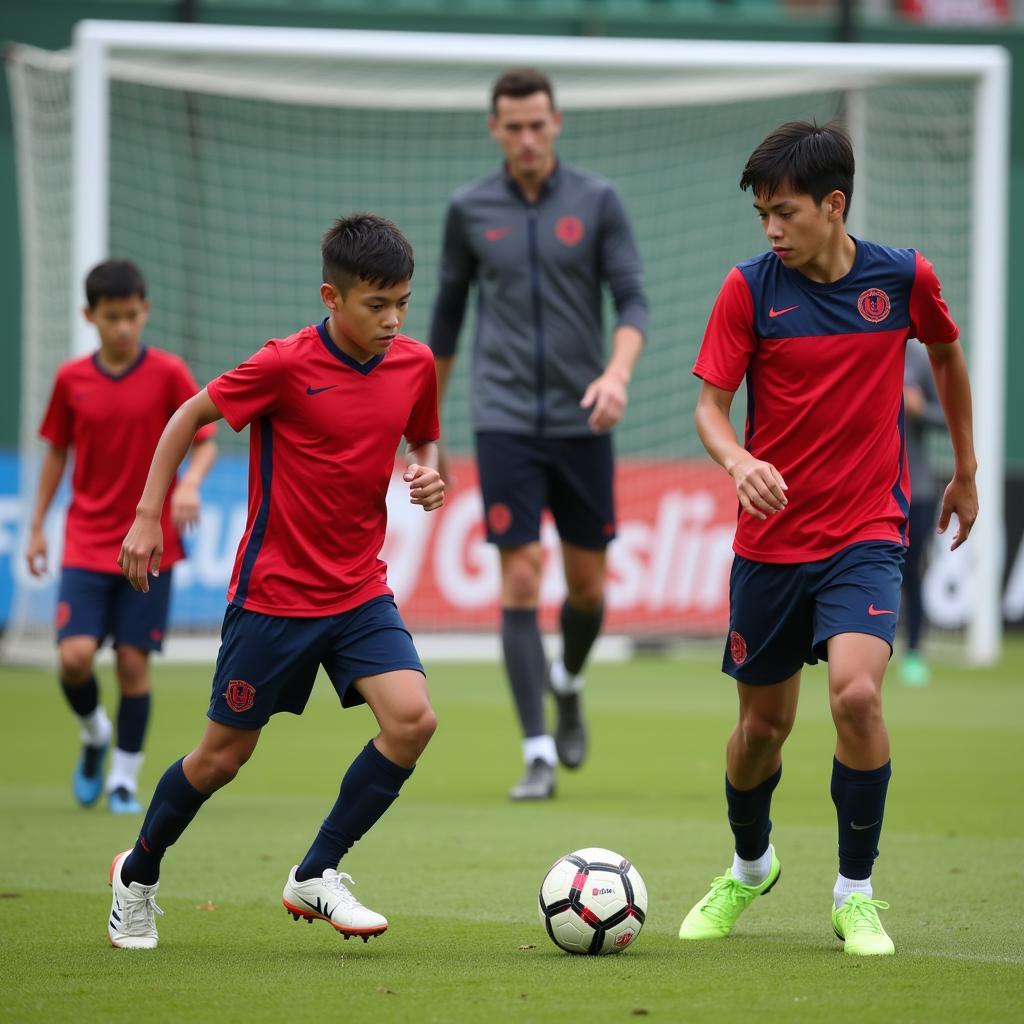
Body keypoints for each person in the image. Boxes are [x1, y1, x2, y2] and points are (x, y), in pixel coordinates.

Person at [678, 121, 977, 956]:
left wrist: (966, 469)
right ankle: (748, 866)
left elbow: (948, 359)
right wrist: (738, 460)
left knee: (856, 694)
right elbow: (709, 406)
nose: (771, 228)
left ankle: (855, 893)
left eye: (785, 211)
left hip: (866, 535)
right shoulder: (748, 289)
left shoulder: (904, 278)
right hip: (772, 546)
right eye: (762, 214)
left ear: (833, 204)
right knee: (761, 733)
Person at [106, 214, 444, 949]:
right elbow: (186, 417)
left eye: (402, 303)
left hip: (359, 591)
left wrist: (427, 469)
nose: (392, 320)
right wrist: (145, 516)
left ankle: (315, 872)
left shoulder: (414, 363)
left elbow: (422, 431)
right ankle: (136, 875)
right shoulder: (283, 364)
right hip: (275, 599)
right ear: (332, 295)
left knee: (413, 720)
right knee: (221, 758)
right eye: (375, 304)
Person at [429, 68, 648, 801]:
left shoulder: (599, 200)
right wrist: (423, 433)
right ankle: (537, 750)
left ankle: (570, 678)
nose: (526, 138)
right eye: (512, 126)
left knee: (587, 585)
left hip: (585, 418)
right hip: (503, 420)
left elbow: (634, 300)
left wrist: (616, 375)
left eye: (537, 124)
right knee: (520, 574)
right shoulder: (469, 210)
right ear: (494, 129)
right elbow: (446, 325)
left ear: (558, 123)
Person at [26, 260, 217, 814]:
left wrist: (191, 486)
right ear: (91, 317)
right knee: (74, 658)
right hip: (88, 540)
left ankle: (124, 782)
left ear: (145, 311)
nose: (124, 328)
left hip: (153, 540)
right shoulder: (71, 380)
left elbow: (204, 438)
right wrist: (37, 527)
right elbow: (57, 452)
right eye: (112, 318)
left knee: (133, 663)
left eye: (132, 316)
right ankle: (93, 736)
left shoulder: (168, 373)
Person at [900, 340, 946, 686]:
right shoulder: (853, 342)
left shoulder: (918, 358)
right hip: (864, 490)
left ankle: (913, 652)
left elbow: (947, 414)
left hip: (917, 490)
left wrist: (919, 410)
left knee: (911, 573)